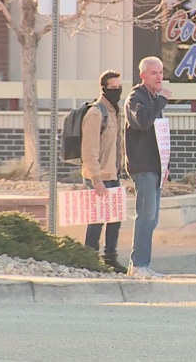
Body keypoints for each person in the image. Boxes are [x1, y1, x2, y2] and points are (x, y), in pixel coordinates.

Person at [124, 56, 172, 279]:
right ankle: (138, 265)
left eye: (161, 72)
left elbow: (158, 135)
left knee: (152, 218)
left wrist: (166, 165)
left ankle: (143, 263)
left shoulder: (152, 98)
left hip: (155, 167)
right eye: (154, 73)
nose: (159, 76)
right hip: (143, 167)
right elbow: (143, 122)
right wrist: (161, 101)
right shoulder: (136, 97)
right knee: (145, 215)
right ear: (143, 76)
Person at [81, 70, 126, 274]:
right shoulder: (96, 113)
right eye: (113, 88)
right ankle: (90, 257)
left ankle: (110, 258)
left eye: (119, 87)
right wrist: (96, 179)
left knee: (115, 218)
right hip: (99, 176)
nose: (117, 91)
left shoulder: (115, 111)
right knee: (97, 219)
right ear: (104, 89)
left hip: (113, 174)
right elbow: (89, 150)